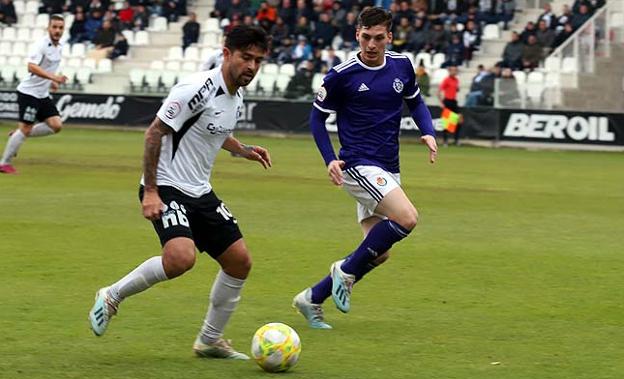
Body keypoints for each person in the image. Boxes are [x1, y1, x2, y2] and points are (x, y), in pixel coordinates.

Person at [87, 25, 272, 359]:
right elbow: (154, 133)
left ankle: (209, 340)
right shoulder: (196, 88)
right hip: (167, 185)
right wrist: (151, 192)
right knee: (180, 258)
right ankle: (112, 295)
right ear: (227, 52)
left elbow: (213, 131)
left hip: (200, 191)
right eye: (246, 58)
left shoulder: (236, 94)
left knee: (239, 262)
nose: (252, 67)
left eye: (258, 61)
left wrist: (241, 149)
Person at [292, 7, 437, 329]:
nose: (372, 44)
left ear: (389, 37)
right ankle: (344, 272)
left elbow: (416, 101)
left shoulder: (402, 65)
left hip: (388, 167)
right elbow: (316, 119)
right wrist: (330, 158)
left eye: (379, 38)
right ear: (357, 34)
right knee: (408, 218)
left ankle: (312, 298)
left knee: (378, 251)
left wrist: (427, 130)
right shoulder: (342, 75)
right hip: (357, 165)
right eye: (366, 37)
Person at [0, 15, 67, 174]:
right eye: (54, 27)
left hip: (42, 94)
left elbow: (47, 68)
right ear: (48, 28)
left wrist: (52, 82)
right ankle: (4, 163)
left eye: (60, 28)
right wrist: (53, 77)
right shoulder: (41, 45)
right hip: (29, 93)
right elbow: (31, 66)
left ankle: (19, 135)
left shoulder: (60, 47)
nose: (57, 31)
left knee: (56, 125)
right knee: (26, 128)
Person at [438, 64, 460, 146]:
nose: (454, 72)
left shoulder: (456, 80)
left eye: (455, 70)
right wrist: (442, 103)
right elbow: (439, 91)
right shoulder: (446, 80)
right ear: (450, 71)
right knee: (446, 123)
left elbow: (456, 90)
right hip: (447, 101)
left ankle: (456, 139)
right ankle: (445, 141)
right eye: (453, 70)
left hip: (454, 101)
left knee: (458, 121)